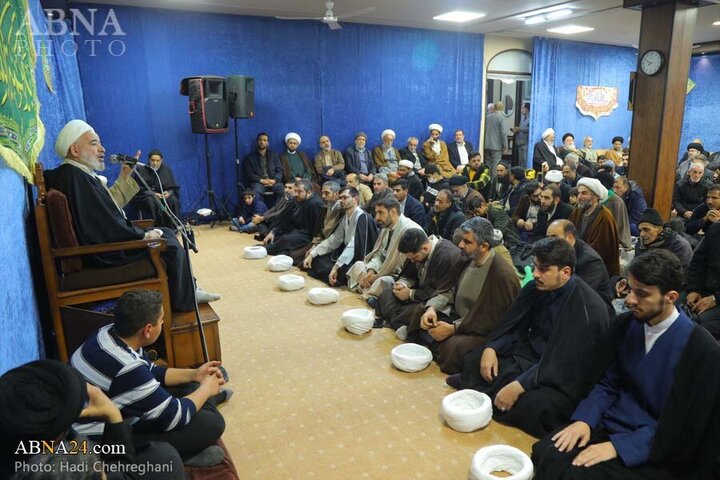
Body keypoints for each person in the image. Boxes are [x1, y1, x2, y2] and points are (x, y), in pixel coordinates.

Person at [532, 250, 720, 480]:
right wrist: (585, 420)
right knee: (548, 453)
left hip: (653, 446)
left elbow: (685, 429)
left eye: (641, 294)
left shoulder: (701, 350)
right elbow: (608, 383)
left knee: (577, 475)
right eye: (630, 289)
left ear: (670, 296)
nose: (629, 300)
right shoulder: (626, 325)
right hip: (608, 422)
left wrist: (619, 447)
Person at [45, 119, 219, 312]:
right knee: (169, 244)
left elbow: (104, 209)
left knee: (167, 232)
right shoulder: (75, 177)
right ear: (75, 150)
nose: (102, 149)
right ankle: (184, 302)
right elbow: (102, 223)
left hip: (104, 242)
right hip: (104, 253)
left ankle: (190, 289)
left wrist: (124, 177)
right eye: (94, 144)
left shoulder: (80, 174)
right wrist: (140, 236)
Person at [448, 238, 615, 438]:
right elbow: (512, 325)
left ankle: (489, 395)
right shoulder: (536, 287)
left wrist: (521, 385)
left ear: (566, 272)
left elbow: (567, 361)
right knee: (476, 360)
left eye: (544, 269)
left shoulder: (588, 308)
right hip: (529, 354)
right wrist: (492, 347)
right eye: (535, 266)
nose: (535, 274)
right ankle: (493, 394)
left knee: (539, 405)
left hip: (561, 373)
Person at [71, 290, 228, 465]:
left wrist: (194, 374)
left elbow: (151, 371)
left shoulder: (108, 332)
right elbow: (175, 416)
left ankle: (208, 396)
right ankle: (182, 457)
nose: (163, 323)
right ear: (148, 330)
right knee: (212, 423)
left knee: (192, 386)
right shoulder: (128, 368)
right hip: (102, 443)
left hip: (111, 412)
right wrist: (205, 389)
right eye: (161, 321)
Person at [0, 359, 184, 479]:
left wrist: (113, 417)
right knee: (166, 458)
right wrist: (113, 416)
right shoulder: (68, 467)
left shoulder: (21, 441)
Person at [406, 217, 519, 374]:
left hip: (478, 329)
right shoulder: (466, 258)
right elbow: (449, 289)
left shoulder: (502, 274)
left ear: (484, 246)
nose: (460, 245)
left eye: (467, 242)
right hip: (457, 317)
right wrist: (432, 308)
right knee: (420, 312)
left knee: (454, 347)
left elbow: (493, 320)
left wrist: (453, 329)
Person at [375, 228, 468, 332]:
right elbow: (410, 275)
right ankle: (399, 324)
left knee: (417, 311)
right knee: (387, 293)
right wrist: (403, 284)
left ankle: (396, 323)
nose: (412, 261)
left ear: (425, 248)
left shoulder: (448, 256)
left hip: (436, 301)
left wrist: (411, 294)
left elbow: (444, 290)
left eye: (414, 258)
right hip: (420, 294)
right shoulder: (418, 252)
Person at [347, 197, 422, 302]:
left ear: (393, 212)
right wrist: (371, 270)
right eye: (376, 213)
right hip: (382, 269)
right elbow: (379, 254)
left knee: (382, 281)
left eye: (381, 213)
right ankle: (370, 291)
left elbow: (401, 266)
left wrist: (377, 276)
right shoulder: (386, 227)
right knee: (359, 265)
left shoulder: (409, 230)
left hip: (400, 275)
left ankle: (370, 293)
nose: (377, 218)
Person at [303, 186, 378, 287]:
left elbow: (354, 246)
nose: (342, 201)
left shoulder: (362, 217)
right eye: (340, 198)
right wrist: (313, 253)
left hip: (359, 258)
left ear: (355, 199)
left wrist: (336, 266)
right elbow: (334, 239)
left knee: (340, 271)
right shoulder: (345, 217)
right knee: (316, 259)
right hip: (345, 253)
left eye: (345, 198)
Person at [546, 220, 613, 302]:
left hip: (592, 306)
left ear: (570, 238)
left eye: (554, 238)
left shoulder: (590, 261)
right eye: (548, 238)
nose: (549, 243)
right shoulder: (560, 251)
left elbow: (580, 294)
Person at [569, 178, 621, 276]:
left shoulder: (605, 217)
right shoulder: (577, 212)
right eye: (579, 193)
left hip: (595, 269)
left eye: (584, 193)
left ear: (596, 196)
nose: (579, 197)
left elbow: (604, 250)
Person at [264, 179, 324, 256]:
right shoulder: (296, 199)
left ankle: (267, 250)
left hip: (306, 235)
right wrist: (273, 232)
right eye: (295, 191)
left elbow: (316, 230)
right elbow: (285, 218)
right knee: (275, 237)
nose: (296, 194)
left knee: (286, 239)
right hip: (295, 230)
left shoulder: (315, 204)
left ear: (309, 192)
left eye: (299, 191)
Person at [288, 181, 343, 264]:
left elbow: (335, 237)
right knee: (293, 256)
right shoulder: (326, 207)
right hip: (320, 241)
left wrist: (316, 248)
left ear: (336, 194)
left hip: (331, 244)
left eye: (327, 193)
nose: (323, 196)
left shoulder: (342, 211)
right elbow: (320, 230)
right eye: (322, 193)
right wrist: (314, 245)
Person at [128, 149, 181, 228]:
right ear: (149, 160)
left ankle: (173, 227)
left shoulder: (166, 170)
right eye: (153, 160)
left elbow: (173, 188)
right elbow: (138, 189)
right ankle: (156, 227)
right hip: (146, 196)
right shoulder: (141, 169)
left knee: (173, 200)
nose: (155, 163)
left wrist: (168, 193)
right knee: (152, 201)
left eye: (157, 161)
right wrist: (153, 194)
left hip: (163, 196)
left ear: (161, 160)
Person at [685, 222, 720, 338]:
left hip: (717, 299)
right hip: (703, 291)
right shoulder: (715, 229)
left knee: (692, 327)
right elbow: (698, 262)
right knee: (667, 311)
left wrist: (716, 298)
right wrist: (694, 289)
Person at [242, 132, 284, 203]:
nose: (262, 142)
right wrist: (262, 180)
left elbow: (280, 170)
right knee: (256, 192)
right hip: (259, 182)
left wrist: (275, 180)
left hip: (273, 181)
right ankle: (260, 212)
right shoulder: (250, 158)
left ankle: (278, 211)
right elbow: (250, 174)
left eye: (264, 140)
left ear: (268, 143)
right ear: (257, 142)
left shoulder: (274, 156)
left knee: (282, 190)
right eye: (260, 140)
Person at [484, 102, 507, 174]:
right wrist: (505, 145)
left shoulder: (487, 116)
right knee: (495, 167)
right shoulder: (501, 117)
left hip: (486, 145)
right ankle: (494, 184)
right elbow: (503, 132)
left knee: (488, 165)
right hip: (496, 146)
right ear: (502, 108)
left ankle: (487, 180)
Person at [512, 102, 530, 166]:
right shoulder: (522, 118)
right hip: (520, 143)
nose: (521, 110)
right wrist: (516, 130)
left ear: (527, 109)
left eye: (523, 108)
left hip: (526, 143)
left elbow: (530, 129)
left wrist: (520, 129)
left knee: (525, 161)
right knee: (521, 161)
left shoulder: (531, 118)